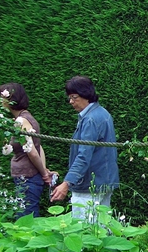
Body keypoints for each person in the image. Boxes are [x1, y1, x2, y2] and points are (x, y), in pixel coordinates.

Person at [50, 76, 119, 220]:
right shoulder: (102, 113)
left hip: (89, 186)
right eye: (69, 98)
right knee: (102, 227)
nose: (71, 102)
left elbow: (83, 155)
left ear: (86, 95)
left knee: (85, 231)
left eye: (74, 97)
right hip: (104, 182)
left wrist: (67, 183)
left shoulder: (90, 119)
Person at [0, 82, 54, 218]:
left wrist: (44, 173)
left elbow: (32, 151)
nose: (0, 101)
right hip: (29, 176)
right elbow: (38, 146)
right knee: (27, 215)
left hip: (27, 177)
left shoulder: (22, 121)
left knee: (26, 218)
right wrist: (44, 169)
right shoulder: (26, 118)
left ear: (10, 99)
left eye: (2, 98)